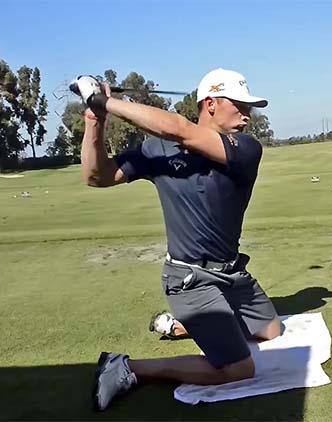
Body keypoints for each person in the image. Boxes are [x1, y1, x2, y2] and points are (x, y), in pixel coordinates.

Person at [74, 68, 281, 411]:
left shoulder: (246, 149)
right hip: (190, 278)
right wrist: (95, 117)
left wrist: (107, 100)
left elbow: (181, 129)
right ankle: (126, 366)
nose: (247, 114)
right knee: (238, 368)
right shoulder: (158, 151)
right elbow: (97, 177)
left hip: (232, 273)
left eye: (250, 107)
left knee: (271, 330)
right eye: (239, 105)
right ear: (211, 104)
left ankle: (183, 325)